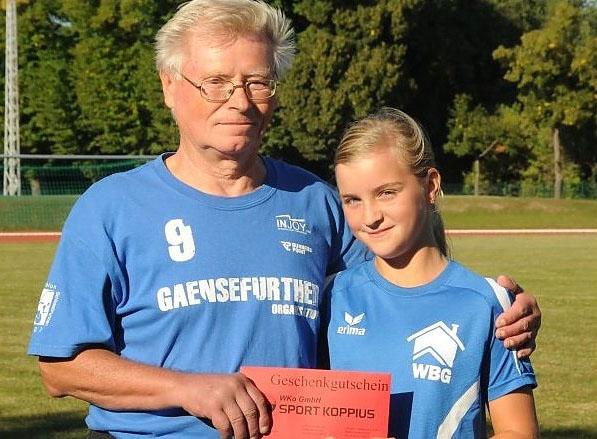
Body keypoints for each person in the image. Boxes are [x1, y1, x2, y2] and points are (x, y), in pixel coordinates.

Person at [27, 1, 540, 438]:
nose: (240, 102)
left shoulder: (314, 201)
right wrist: (187, 388)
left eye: (257, 82)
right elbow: (61, 368)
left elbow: (401, 291)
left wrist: (500, 313)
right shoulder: (110, 208)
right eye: (216, 82)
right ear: (168, 85)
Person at [324, 108, 539, 438]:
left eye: (386, 193)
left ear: (431, 186)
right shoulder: (333, 297)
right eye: (352, 200)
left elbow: (519, 431)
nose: (370, 217)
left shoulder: (486, 302)